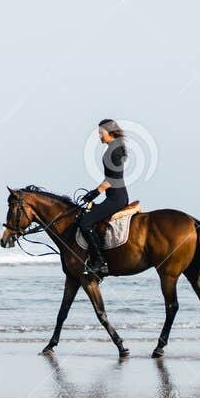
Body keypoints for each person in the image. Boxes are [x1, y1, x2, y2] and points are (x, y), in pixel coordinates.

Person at [78, 118, 129, 278]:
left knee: (85, 223)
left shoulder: (115, 150)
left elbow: (113, 179)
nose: (99, 136)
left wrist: (95, 193)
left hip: (116, 198)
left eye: (101, 133)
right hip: (114, 196)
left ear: (110, 133)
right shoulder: (114, 148)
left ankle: (100, 262)